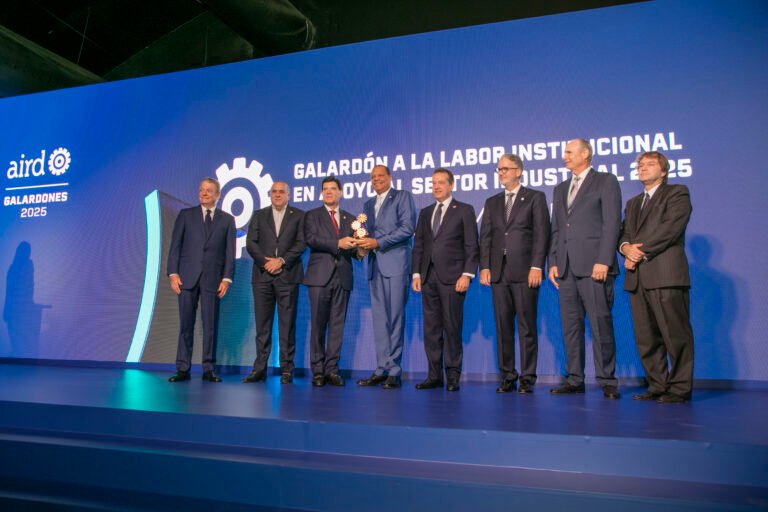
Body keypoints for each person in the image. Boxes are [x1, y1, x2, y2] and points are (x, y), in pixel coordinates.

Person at [548, 139, 622, 399]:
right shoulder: (560, 189)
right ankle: (575, 378)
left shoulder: (605, 181)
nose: (564, 157)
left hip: (595, 267)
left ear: (585, 153)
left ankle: (607, 380)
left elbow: (612, 223)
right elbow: (557, 229)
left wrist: (604, 260)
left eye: (568, 152)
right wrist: (553, 262)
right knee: (570, 326)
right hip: (566, 269)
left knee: (601, 324)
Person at [620, 151, 694, 403]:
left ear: (663, 171)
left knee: (675, 334)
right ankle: (657, 384)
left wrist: (638, 252)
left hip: (665, 275)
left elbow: (670, 228)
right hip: (637, 278)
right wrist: (625, 248)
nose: (642, 168)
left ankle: (680, 388)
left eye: (650, 164)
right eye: (640, 165)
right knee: (646, 337)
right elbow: (624, 234)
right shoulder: (632, 203)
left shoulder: (677, 193)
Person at [479, 154, 550, 394]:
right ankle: (508, 376)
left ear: (518, 171)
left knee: (527, 327)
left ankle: (528, 377)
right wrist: (485, 266)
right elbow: (486, 237)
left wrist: (537, 266)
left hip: (525, 271)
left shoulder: (535, 197)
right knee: (503, 327)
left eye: (505, 169)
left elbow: (542, 234)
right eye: (498, 169)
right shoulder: (492, 202)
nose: (501, 173)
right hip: (499, 272)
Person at [412, 168, 479, 391]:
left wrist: (467, 274)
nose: (437, 186)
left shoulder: (464, 210)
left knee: (452, 328)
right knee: (431, 330)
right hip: (428, 278)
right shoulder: (425, 212)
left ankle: (452, 376)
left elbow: (472, 245)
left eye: (441, 182)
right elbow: (419, 246)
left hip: (453, 278)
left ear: (451, 185)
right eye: (433, 183)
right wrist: (416, 273)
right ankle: (434, 375)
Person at [167, 177, 235, 382]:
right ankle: (183, 368)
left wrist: (226, 279)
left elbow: (229, 253)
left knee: (210, 325)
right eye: (201, 190)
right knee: (185, 325)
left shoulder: (227, 219)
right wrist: (173, 273)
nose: (204, 193)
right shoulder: (185, 215)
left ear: (218, 195)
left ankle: (208, 368)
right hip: (186, 278)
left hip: (213, 280)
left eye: (208, 190)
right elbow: (175, 247)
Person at [356, 165, 416, 389]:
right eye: (373, 177)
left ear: (390, 178)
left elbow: (407, 228)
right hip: (374, 268)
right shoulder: (367, 205)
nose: (376, 179)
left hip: (396, 265)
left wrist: (378, 243)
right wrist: (361, 247)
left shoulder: (402, 197)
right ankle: (381, 369)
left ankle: (394, 370)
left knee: (395, 319)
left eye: (380, 176)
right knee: (380, 321)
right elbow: (365, 235)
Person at [244, 181, 306, 384]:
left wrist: (282, 261)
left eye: (282, 192)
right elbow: (251, 243)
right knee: (263, 326)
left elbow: (301, 243)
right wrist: (266, 262)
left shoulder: (299, 215)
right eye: (274, 192)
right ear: (270, 195)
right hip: (262, 277)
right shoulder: (259, 215)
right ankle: (259, 369)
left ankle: (287, 369)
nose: (277, 195)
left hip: (288, 275)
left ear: (289, 195)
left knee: (287, 325)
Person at [303, 177, 357, 387]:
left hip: (342, 277)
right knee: (318, 325)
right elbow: (311, 239)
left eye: (333, 189)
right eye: (325, 189)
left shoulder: (351, 219)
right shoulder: (312, 216)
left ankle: (332, 370)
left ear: (340, 192)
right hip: (319, 278)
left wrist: (359, 250)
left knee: (337, 327)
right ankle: (317, 371)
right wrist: (338, 243)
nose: (328, 192)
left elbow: (352, 249)